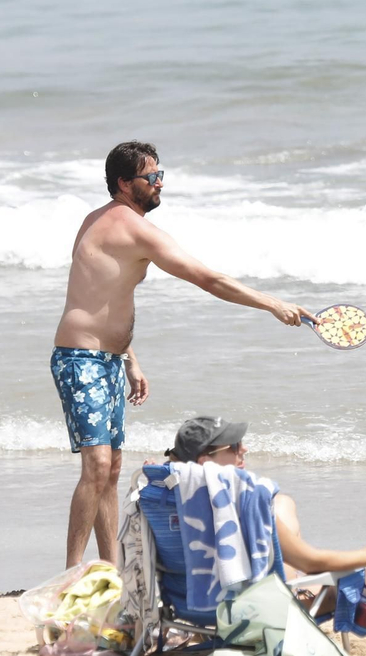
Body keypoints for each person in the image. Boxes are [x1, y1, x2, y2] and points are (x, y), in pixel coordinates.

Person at [51, 141, 321, 568]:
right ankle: (70, 574)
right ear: (124, 184)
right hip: (79, 359)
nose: (159, 184)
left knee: (113, 466)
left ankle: (109, 570)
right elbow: (207, 278)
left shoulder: (102, 221)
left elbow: (105, 299)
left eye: (161, 175)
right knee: (97, 465)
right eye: (150, 177)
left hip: (105, 360)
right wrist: (272, 303)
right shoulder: (130, 227)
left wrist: (127, 357)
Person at [165, 416, 366, 629]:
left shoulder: (159, 497)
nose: (245, 449)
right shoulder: (243, 500)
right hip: (254, 613)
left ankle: (288, 560)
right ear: (205, 462)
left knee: (283, 503)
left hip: (190, 606)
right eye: (234, 446)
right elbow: (311, 562)